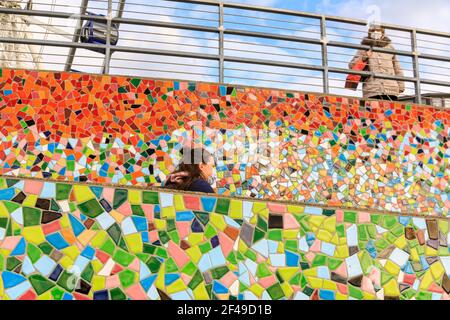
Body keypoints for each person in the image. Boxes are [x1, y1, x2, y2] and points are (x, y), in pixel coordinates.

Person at [349, 24, 405, 101]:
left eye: (378, 30)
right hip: (371, 89)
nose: (375, 32)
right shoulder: (363, 47)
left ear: (382, 33)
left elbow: (397, 68)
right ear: (369, 33)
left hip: (391, 89)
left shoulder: (390, 47)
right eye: (373, 30)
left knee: (391, 112)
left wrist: (401, 86)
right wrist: (364, 56)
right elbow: (352, 65)